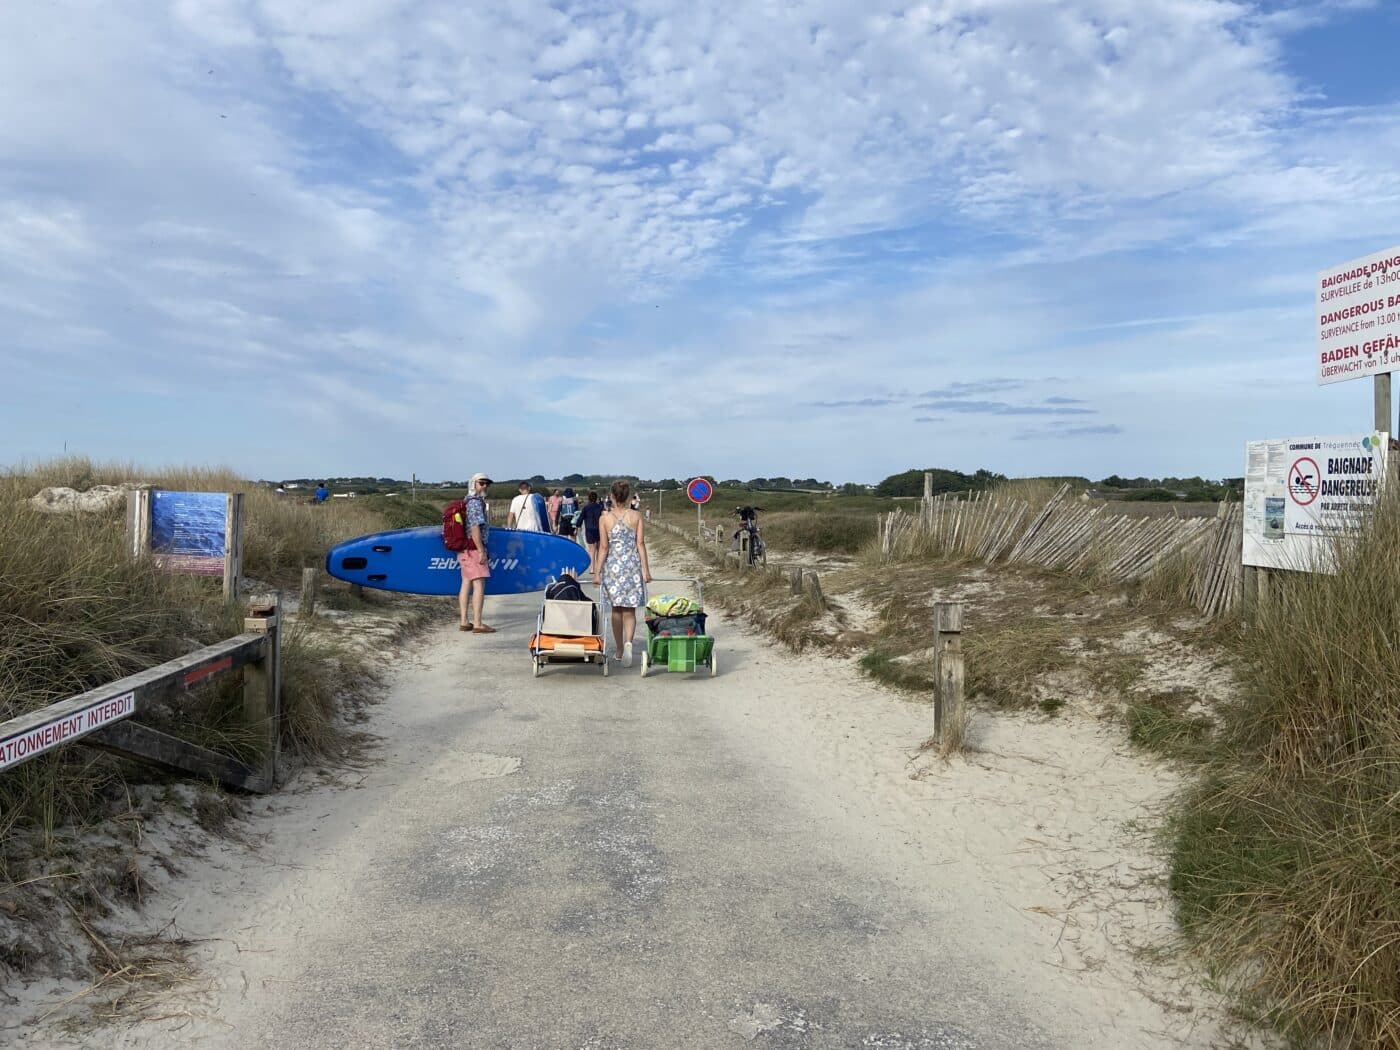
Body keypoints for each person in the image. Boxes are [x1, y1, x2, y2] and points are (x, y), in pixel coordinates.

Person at [594, 480, 652, 667]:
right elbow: (640, 544)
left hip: (613, 568)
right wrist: (646, 571)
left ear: (611, 496)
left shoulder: (605, 518)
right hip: (632, 567)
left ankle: (619, 649)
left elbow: (603, 547)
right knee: (630, 610)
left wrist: (596, 572)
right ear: (627, 497)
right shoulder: (636, 516)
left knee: (616, 611)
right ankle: (629, 642)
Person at [459, 473, 495, 634]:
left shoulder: (466, 501)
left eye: (487, 483)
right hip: (474, 549)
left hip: (464, 548)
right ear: (474, 484)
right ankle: (478, 623)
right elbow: (475, 528)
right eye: (482, 483)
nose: (485, 486)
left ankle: (464, 621)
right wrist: (481, 550)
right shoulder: (474, 503)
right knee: (479, 584)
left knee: (466, 583)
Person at [579, 490, 605, 571]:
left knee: (591, 550)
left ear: (589, 498)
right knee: (598, 549)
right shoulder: (600, 507)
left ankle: (592, 568)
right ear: (596, 498)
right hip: (599, 529)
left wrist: (577, 526)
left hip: (589, 529)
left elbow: (581, 518)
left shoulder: (586, 508)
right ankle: (599, 568)